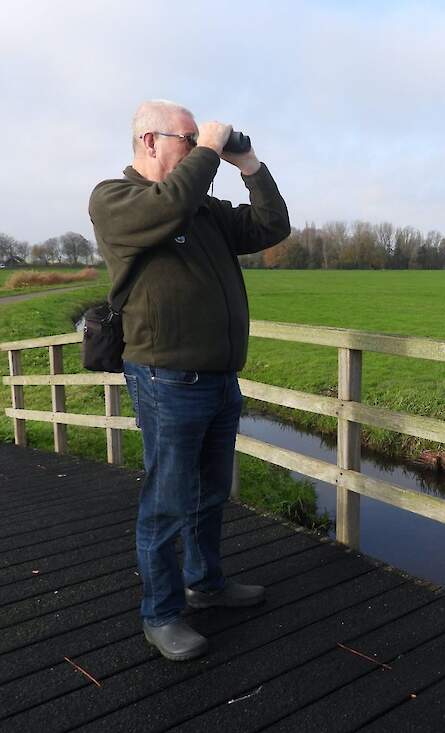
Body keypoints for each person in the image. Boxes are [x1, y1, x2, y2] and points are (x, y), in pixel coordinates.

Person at [89, 99, 290, 661]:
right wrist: (208, 150)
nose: (201, 144)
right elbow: (168, 209)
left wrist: (247, 162)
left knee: (210, 494)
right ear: (149, 142)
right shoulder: (115, 199)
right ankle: (162, 612)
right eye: (187, 137)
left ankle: (207, 584)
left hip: (221, 378)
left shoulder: (201, 208)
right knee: (167, 501)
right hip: (166, 379)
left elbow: (273, 225)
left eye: (201, 138)